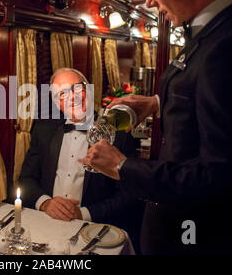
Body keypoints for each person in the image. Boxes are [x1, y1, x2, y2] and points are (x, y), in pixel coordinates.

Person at [79, 0, 232, 254]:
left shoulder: (230, 46)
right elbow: (207, 93)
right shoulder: (212, 31)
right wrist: (156, 102)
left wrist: (122, 166)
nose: (149, 2)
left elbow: (219, 177)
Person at [16, 68, 144, 250]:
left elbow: (129, 194)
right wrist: (45, 203)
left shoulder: (119, 132)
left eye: (76, 88)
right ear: (56, 103)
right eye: (61, 94)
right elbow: (26, 180)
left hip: (94, 230)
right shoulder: (43, 130)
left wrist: (83, 214)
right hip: (47, 225)